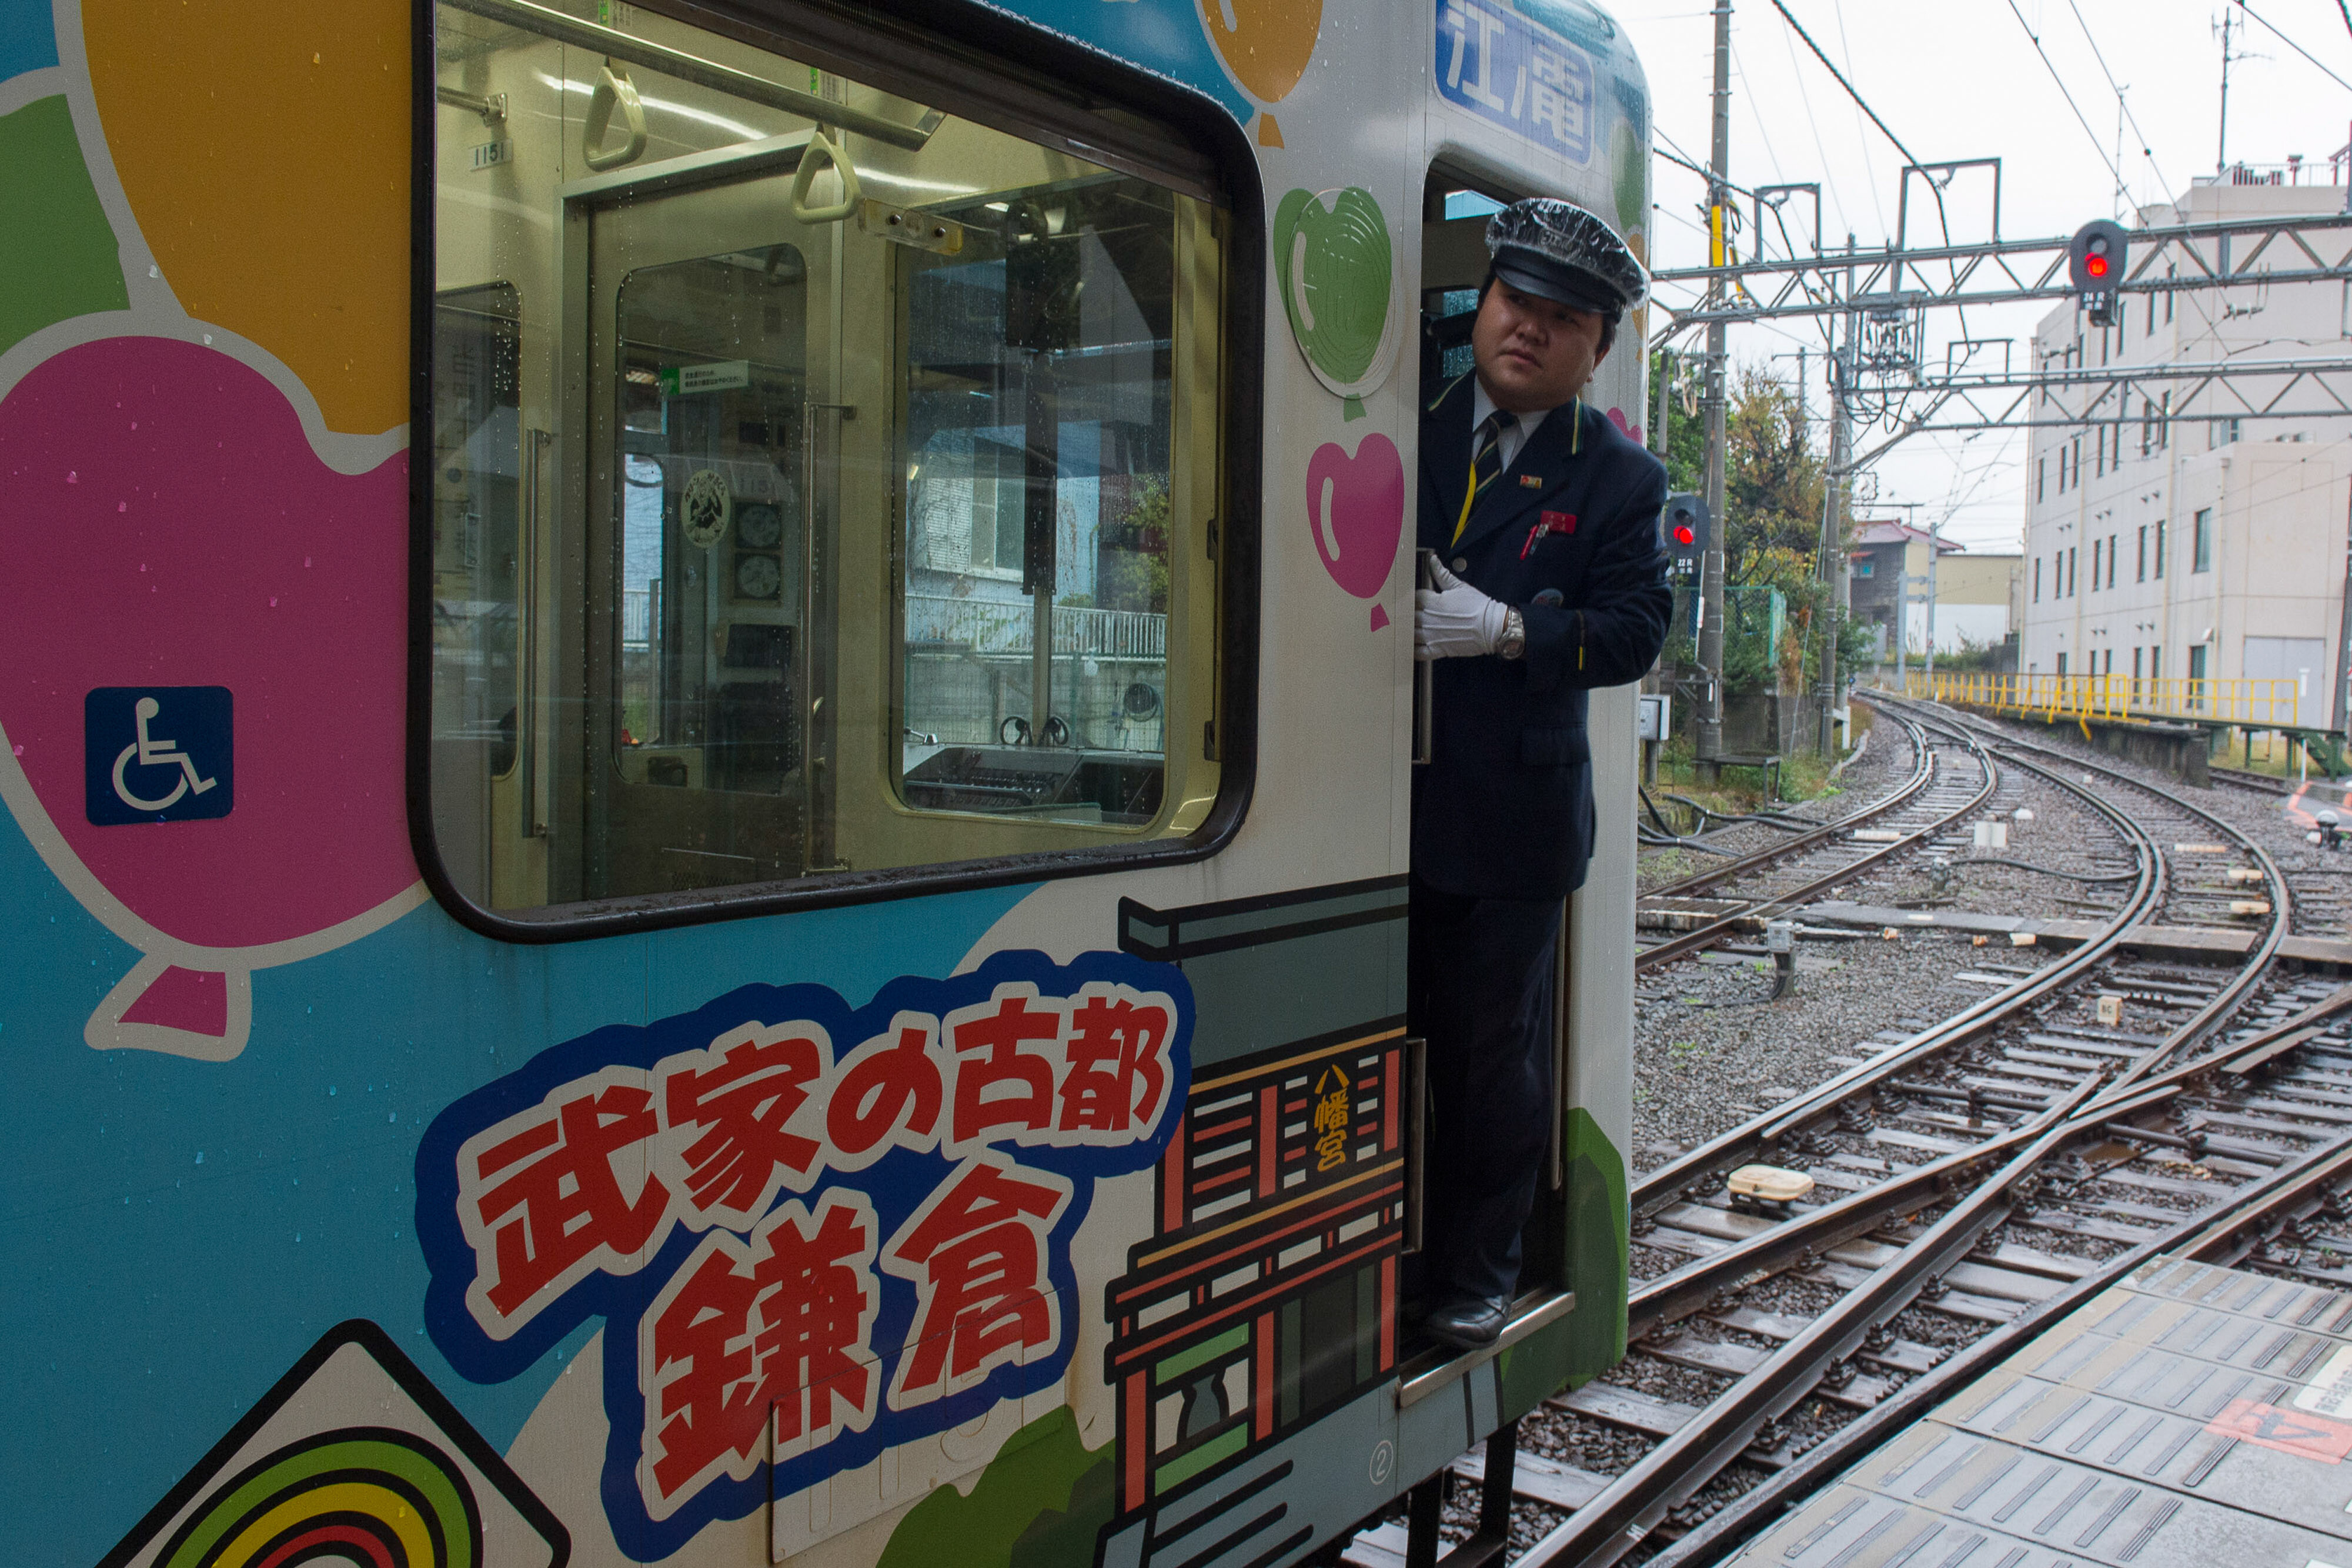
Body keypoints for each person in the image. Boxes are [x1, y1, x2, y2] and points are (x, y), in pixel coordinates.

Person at [1411, 197, 1672, 1349]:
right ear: (1484, 301)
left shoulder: (1617, 475)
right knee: (1389, 1030)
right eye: (1514, 301)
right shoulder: (1399, 419)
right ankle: (1393, 1240)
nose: (1526, 329)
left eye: (1560, 318)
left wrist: (1508, 631)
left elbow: (1628, 635)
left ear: (1596, 348)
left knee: (1486, 1046)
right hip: (1374, 799)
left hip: (1512, 814)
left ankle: (1478, 1269)